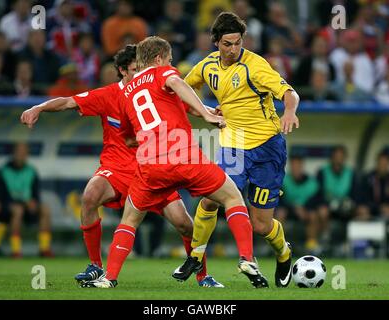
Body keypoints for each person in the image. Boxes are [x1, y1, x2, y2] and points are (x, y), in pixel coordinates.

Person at [20, 45, 223, 288]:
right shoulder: (108, 95)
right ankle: (96, 266)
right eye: (134, 70)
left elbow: (189, 105)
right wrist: (38, 107)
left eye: (141, 68)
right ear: (122, 71)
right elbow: (68, 102)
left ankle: (204, 276)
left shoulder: (155, 87)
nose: (140, 74)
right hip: (117, 169)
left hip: (153, 168)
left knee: (185, 224)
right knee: (90, 195)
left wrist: (212, 112)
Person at [80, 36, 267, 289]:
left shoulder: (127, 91)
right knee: (232, 198)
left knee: (130, 221)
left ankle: (109, 278)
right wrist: (205, 113)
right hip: (183, 155)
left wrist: (140, 140)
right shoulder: (162, 72)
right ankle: (247, 257)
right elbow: (177, 83)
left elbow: (127, 134)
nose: (171, 63)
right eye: (169, 59)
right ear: (158, 59)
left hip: (150, 165)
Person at [176, 12, 300, 288]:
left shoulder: (255, 66)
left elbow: (289, 93)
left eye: (238, 43)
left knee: (261, 225)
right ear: (216, 42)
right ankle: (195, 255)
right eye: (227, 44)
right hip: (233, 146)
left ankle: (284, 252)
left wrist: (289, 112)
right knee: (209, 199)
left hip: (267, 149)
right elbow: (181, 93)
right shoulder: (206, 67)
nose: (234, 49)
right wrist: (206, 110)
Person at [0, 142, 53, 257]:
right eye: (19, 152)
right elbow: (0, 195)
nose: (21, 155)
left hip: (28, 207)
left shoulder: (31, 171)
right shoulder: (4, 171)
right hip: (9, 207)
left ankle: (44, 249)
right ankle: (16, 251)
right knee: (18, 210)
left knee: (45, 209)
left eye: (24, 153)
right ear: (14, 153)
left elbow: (35, 192)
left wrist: (34, 202)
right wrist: (19, 202)